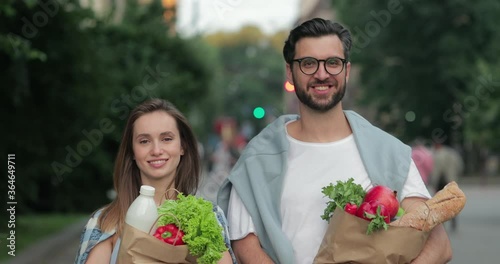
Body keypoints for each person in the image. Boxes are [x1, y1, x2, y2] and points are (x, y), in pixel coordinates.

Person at [217, 18, 452, 264]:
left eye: (332, 63)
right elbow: (244, 243)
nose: (322, 74)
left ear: (346, 71)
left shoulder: (388, 152)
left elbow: (438, 243)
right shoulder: (257, 158)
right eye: (308, 63)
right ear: (290, 71)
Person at [75, 98, 236, 263]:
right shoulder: (105, 222)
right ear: (132, 151)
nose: (156, 150)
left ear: (183, 146)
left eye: (166, 139)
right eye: (144, 141)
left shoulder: (210, 217)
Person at [431, 143, 464, 232]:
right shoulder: (453, 153)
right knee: (452, 201)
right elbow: (460, 166)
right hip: (451, 180)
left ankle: (442, 222)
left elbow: (437, 170)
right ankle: (453, 220)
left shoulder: (437, 154)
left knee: (440, 202)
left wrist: (433, 181)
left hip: (441, 181)